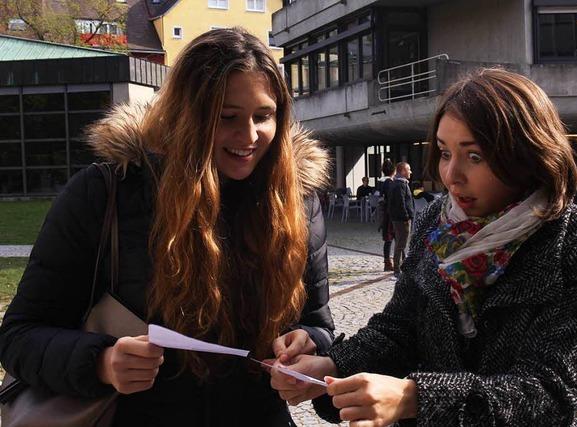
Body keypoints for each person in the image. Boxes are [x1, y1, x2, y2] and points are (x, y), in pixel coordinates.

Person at [0, 28, 335, 426]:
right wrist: (102, 362)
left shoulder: (298, 202)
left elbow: (317, 321)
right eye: (226, 118)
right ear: (186, 115)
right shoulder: (108, 193)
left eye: (264, 116)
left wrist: (308, 344)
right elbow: (19, 336)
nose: (248, 136)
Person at [268, 68, 577, 426]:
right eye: (443, 152)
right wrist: (332, 366)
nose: (451, 175)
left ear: (526, 153)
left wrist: (416, 398)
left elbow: (550, 394)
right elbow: (398, 328)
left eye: (475, 156)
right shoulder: (437, 222)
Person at [388, 162, 415, 276]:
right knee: (400, 244)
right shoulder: (400, 184)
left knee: (401, 243)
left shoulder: (399, 183)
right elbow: (400, 203)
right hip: (401, 219)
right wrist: (406, 217)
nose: (410, 172)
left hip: (398, 218)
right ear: (403, 171)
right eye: (408, 169)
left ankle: (403, 266)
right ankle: (397, 270)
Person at [376, 159, 396, 271]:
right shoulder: (390, 183)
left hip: (383, 213)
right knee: (395, 238)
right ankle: (395, 262)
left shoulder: (380, 182)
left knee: (387, 239)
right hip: (390, 214)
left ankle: (387, 261)